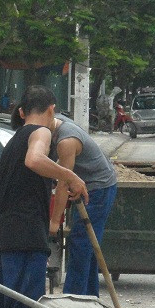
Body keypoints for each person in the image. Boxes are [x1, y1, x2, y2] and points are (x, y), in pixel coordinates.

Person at [0, 85, 88, 308]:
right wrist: (69, 176)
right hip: (24, 237)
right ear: (51, 110)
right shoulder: (39, 133)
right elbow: (35, 161)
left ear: (21, 110)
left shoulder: (14, 137)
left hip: (5, 235)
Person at [49, 113, 118, 297]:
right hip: (93, 185)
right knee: (88, 245)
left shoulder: (66, 140)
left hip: (98, 189)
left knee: (81, 243)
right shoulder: (56, 125)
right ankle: (89, 297)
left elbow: (63, 184)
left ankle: (73, 300)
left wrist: (54, 223)